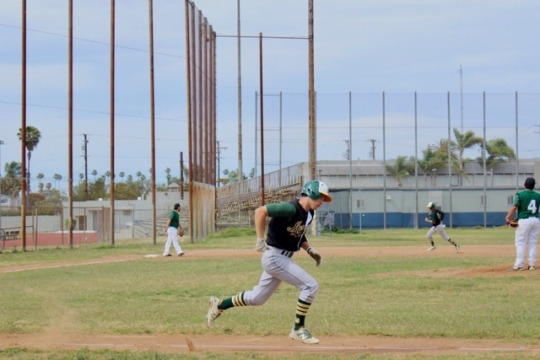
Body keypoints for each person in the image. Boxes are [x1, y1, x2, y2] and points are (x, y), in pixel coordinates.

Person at [205, 180, 332, 344]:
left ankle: (219, 304)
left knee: (257, 298)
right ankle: (298, 329)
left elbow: (296, 233)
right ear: (311, 192)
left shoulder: (308, 214)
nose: (322, 201)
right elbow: (260, 211)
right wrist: (259, 239)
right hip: (274, 257)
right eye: (321, 197)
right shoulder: (290, 208)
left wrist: (308, 249)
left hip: (281, 258)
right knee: (310, 286)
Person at [505, 177, 540, 271]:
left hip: (524, 220)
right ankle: (532, 264)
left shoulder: (520, 194)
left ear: (525, 184)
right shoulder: (538, 195)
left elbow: (514, 207)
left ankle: (519, 264)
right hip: (535, 220)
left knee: (520, 242)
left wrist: (508, 217)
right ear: (533, 186)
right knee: (532, 243)